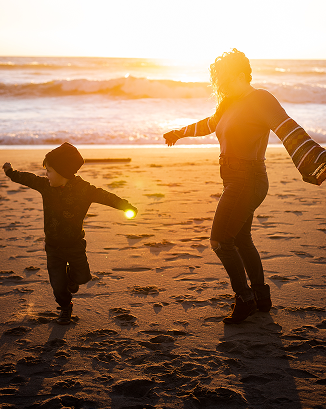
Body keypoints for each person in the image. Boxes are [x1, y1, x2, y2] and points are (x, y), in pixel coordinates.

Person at [163, 49, 326, 324]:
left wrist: (316, 158)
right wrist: (179, 132)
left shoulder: (260, 99)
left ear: (241, 75)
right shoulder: (229, 102)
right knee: (241, 239)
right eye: (219, 82)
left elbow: (288, 128)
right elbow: (209, 124)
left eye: (225, 80)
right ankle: (262, 298)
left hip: (248, 180)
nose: (222, 87)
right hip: (234, 180)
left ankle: (244, 298)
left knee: (219, 241)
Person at [3, 142, 138, 325]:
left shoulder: (84, 190)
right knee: (58, 286)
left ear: (62, 172)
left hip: (75, 245)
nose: (46, 175)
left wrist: (126, 206)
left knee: (82, 277)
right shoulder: (45, 186)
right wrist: (11, 173)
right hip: (53, 247)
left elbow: (106, 196)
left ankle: (72, 278)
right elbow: (29, 178)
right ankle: (65, 308)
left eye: (49, 171)